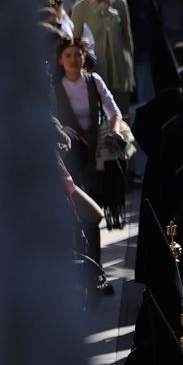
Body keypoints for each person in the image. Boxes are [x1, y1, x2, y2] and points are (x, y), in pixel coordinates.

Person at [50, 35, 125, 250]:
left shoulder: (94, 81)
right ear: (61, 61)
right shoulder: (55, 90)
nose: (73, 60)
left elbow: (114, 112)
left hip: (97, 151)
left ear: (84, 56)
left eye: (77, 54)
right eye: (68, 56)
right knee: (83, 213)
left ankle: (97, 263)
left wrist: (115, 132)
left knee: (96, 210)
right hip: (74, 157)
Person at [70, 0, 137, 117]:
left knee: (123, 118)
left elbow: (128, 40)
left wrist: (129, 71)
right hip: (96, 72)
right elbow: (75, 40)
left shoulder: (120, 3)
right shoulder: (80, 8)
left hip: (120, 72)